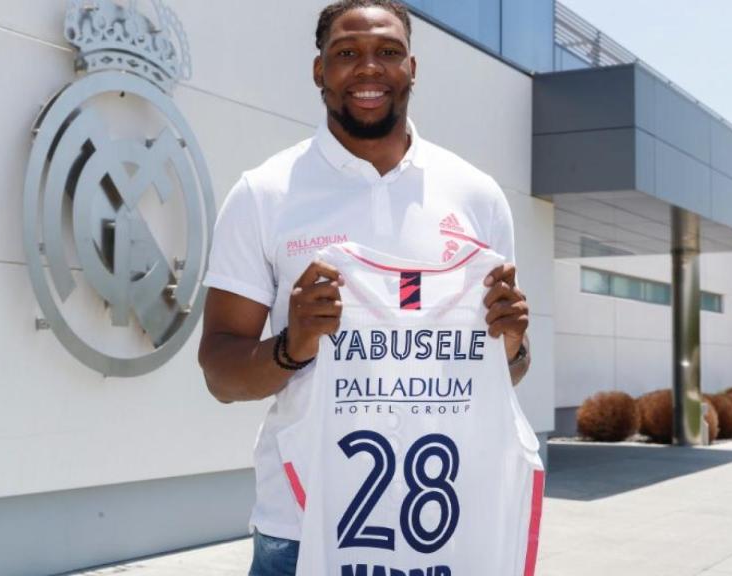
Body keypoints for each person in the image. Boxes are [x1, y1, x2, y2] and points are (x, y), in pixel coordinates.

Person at [197, 1, 531, 574]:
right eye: (346, 53)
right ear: (318, 71)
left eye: (388, 53)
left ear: (413, 67)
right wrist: (291, 347)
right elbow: (220, 374)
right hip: (300, 531)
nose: (368, 69)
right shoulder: (265, 194)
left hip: (443, 528)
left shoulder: (477, 196)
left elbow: (505, 375)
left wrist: (511, 345)